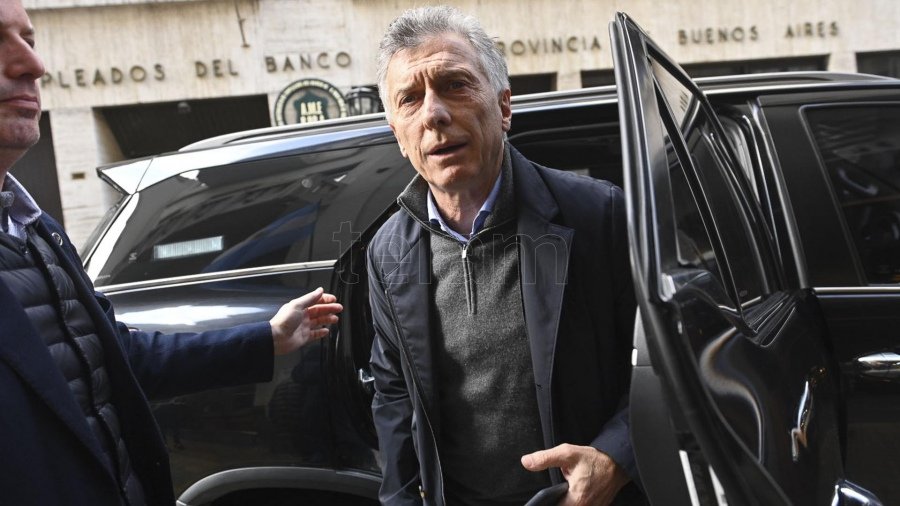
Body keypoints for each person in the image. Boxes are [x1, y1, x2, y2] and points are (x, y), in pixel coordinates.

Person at [0, 1, 343, 504]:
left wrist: (266, 338)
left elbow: (120, 359)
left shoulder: (36, 229)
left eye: (29, 40)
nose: (32, 64)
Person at [367, 5, 641, 506]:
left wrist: (615, 457)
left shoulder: (597, 213)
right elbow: (393, 394)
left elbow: (660, 359)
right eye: (410, 99)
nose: (434, 114)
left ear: (504, 107)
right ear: (397, 135)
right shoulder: (388, 250)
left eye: (455, 85)